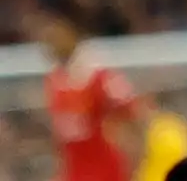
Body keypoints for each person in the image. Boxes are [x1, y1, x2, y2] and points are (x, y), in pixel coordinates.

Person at [39, 21, 142, 181]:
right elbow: (61, 132)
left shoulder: (96, 75)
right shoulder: (55, 80)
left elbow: (129, 106)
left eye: (55, 39)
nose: (52, 47)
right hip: (75, 166)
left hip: (104, 164)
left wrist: (130, 143)